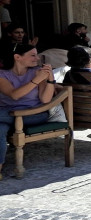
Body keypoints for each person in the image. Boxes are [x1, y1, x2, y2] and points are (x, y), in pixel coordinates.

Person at [0, 44, 55, 180]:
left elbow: (45, 99)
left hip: (34, 114)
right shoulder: (2, 75)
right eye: (32, 55)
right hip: (7, 114)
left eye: (36, 55)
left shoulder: (37, 72)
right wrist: (36, 80)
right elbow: (14, 94)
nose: (37, 58)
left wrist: (50, 79)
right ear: (17, 57)